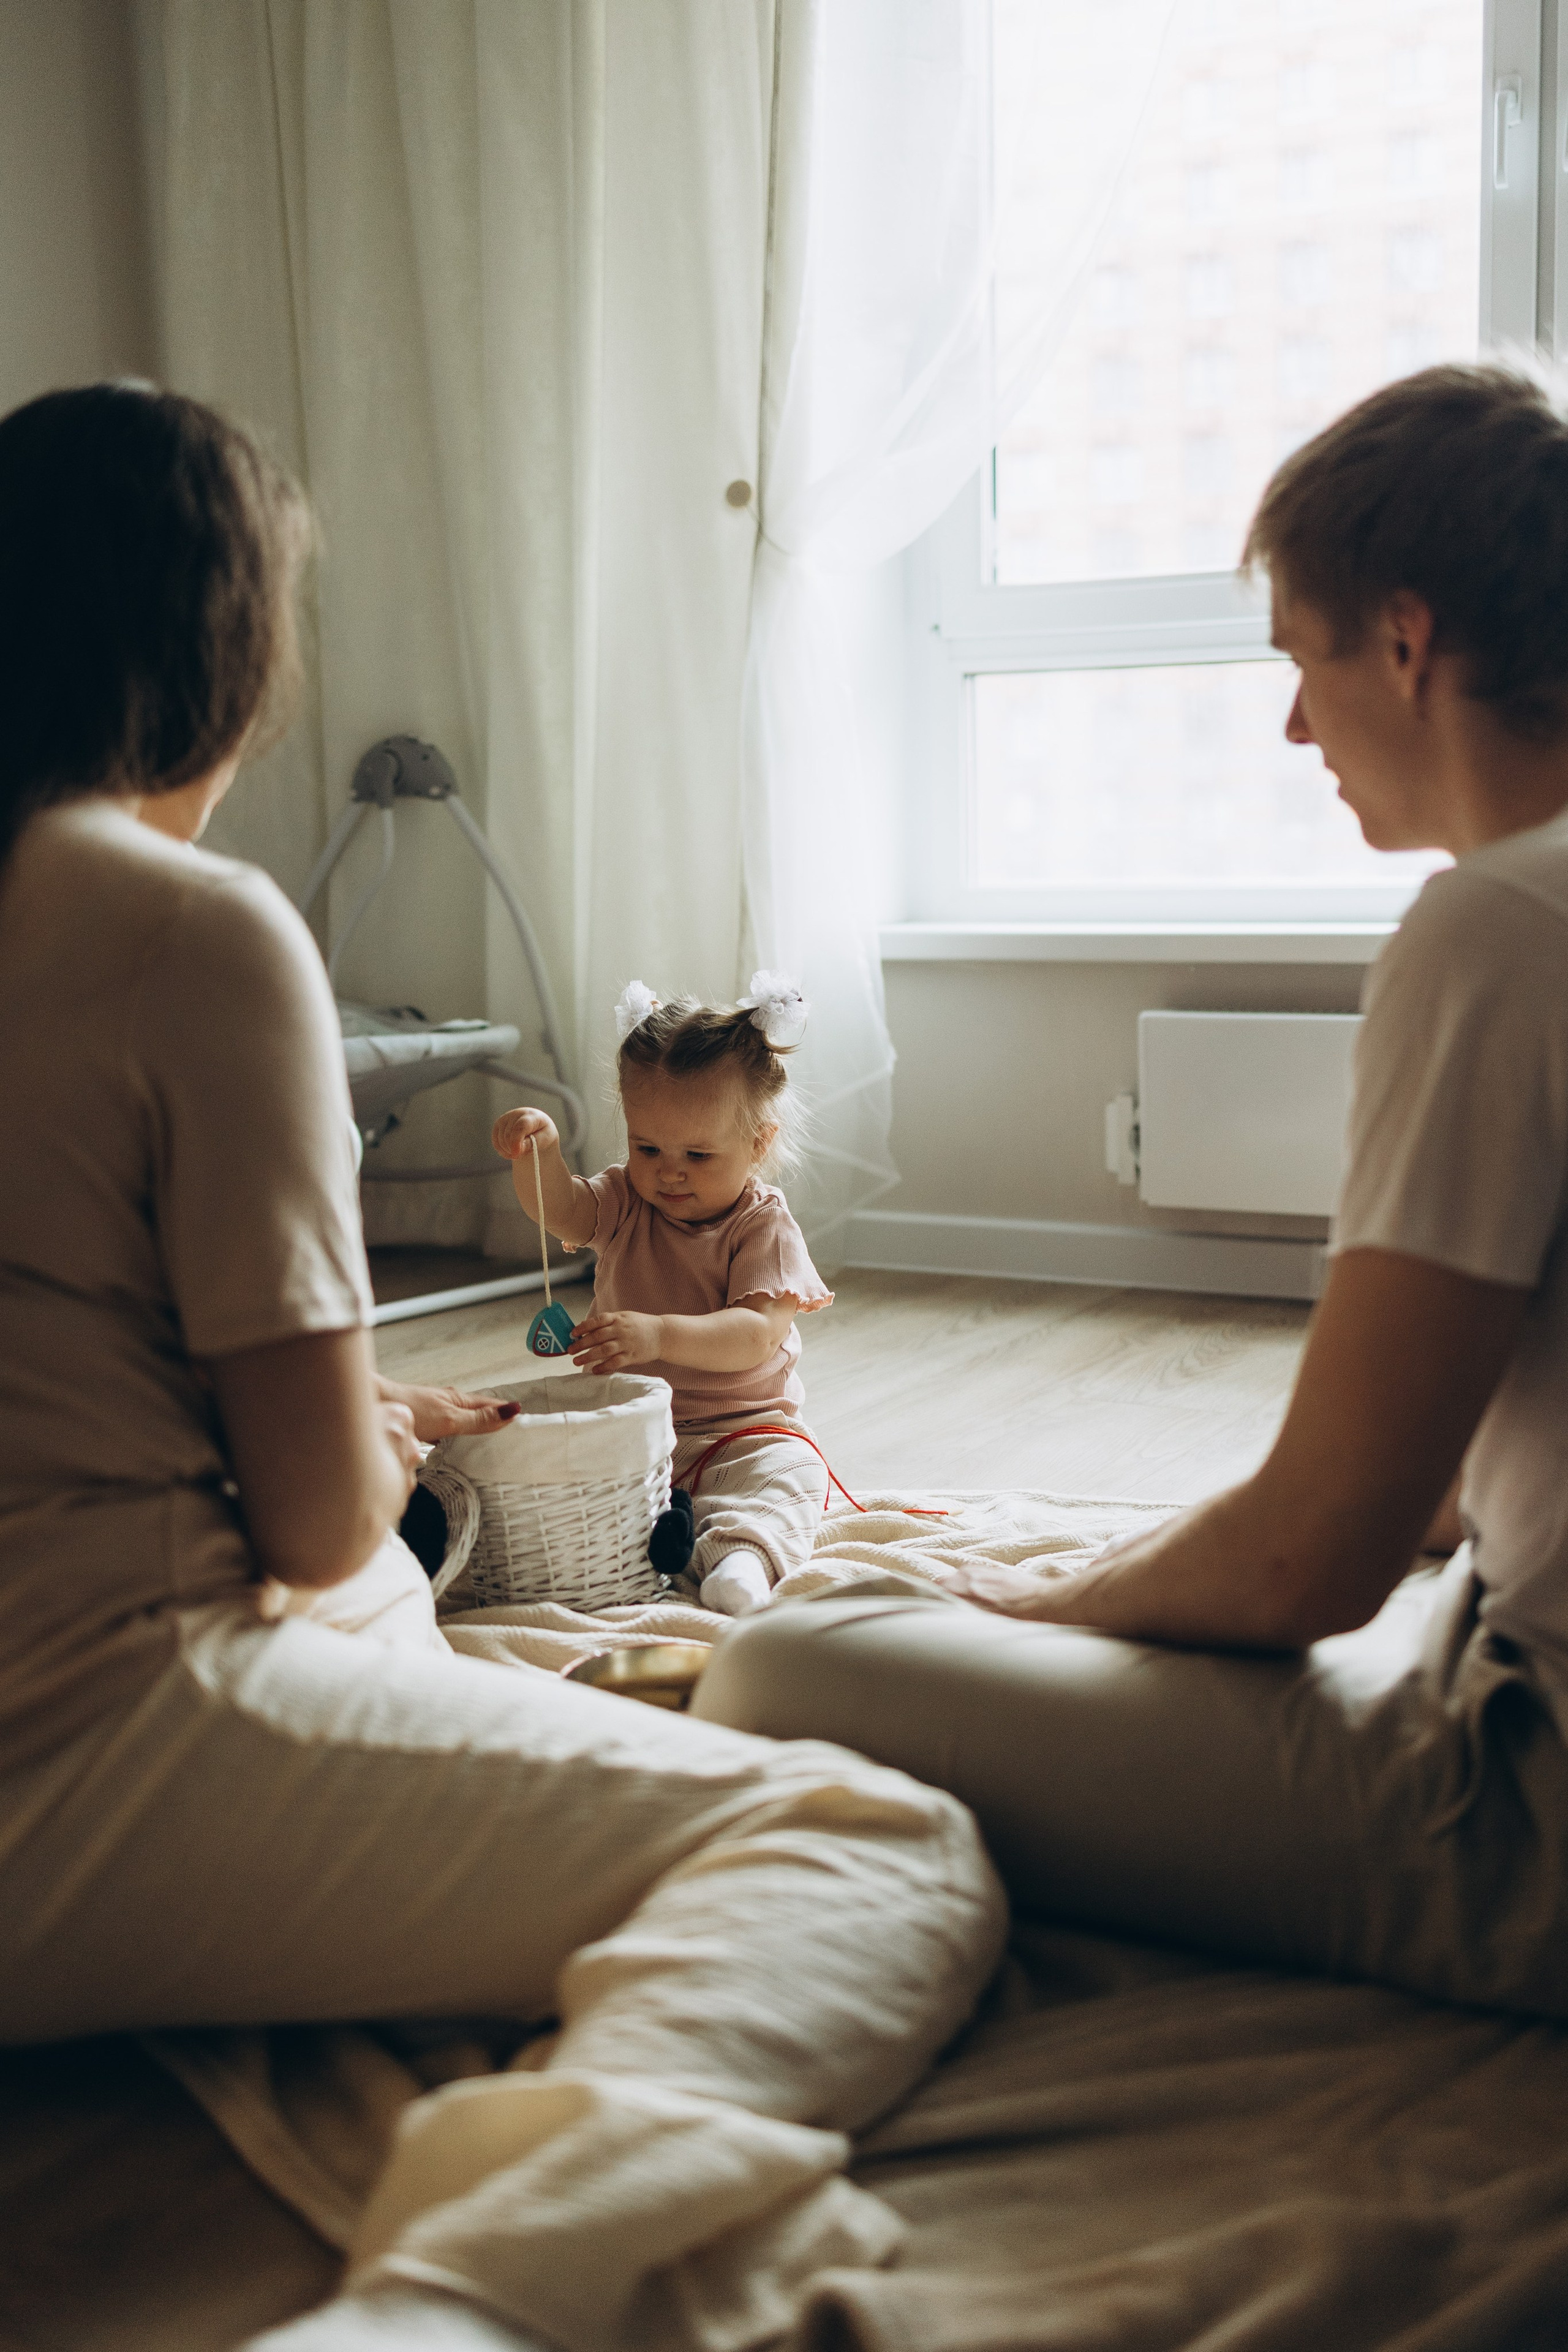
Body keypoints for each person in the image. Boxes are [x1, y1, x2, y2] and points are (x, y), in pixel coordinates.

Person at [0, 383, 1005, 2352]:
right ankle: (457, 2301)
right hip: (75, 1751)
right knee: (874, 1841)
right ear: (227, 663)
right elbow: (299, 1523)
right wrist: (350, 1446)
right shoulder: (189, 932)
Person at [696, 361, 1568, 2022]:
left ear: (1406, 639)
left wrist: (1040, 1602)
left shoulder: (1500, 934)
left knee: (782, 1658)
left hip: (1526, 1821)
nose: (1296, 725)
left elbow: (1311, 1562)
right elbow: (1454, 1486)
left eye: (1306, 662)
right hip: (1484, 1647)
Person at [491, 981, 834, 1617]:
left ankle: (741, 1559)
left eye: (697, 1155)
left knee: (791, 1479)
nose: (668, 1171)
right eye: (647, 1148)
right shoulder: (626, 1197)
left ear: (759, 1143)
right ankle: (637, 1544)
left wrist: (657, 1336)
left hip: (741, 1434)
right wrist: (537, 1157)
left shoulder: (763, 1225)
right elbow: (563, 1212)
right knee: (547, 1472)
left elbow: (754, 1334)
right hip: (632, 1429)